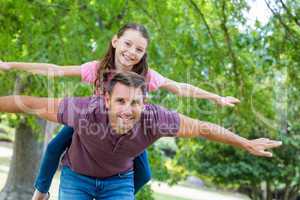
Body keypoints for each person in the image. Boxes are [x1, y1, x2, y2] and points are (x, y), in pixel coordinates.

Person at [0, 23, 240, 199]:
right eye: (128, 44)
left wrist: (216, 97)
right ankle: (41, 192)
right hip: (89, 124)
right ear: (115, 42)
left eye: (139, 49)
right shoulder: (96, 68)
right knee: (54, 148)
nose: (131, 52)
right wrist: (12, 65)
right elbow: (55, 69)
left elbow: (180, 87)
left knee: (144, 174)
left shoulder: (146, 76)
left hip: (124, 132)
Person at [0, 72, 281, 200]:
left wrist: (244, 143)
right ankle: (41, 191)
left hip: (118, 183)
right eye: (121, 101)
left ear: (144, 103)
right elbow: (28, 103)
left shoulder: (155, 118)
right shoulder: (84, 110)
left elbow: (203, 128)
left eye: (135, 103)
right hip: (77, 177)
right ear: (107, 101)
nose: (128, 109)